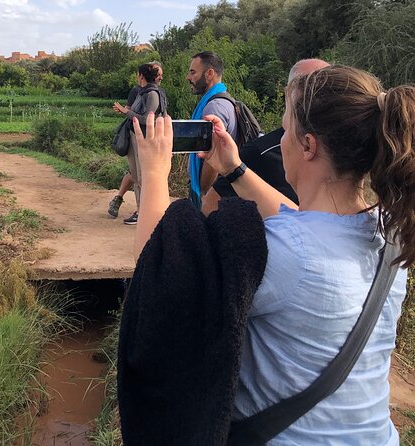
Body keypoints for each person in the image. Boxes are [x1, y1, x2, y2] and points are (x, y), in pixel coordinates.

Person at [133, 65, 414, 443]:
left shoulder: (281, 251)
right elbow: (306, 225)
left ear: (308, 146)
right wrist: (234, 169)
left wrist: (152, 172)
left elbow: (160, 272)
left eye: (284, 129)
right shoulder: (388, 230)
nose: (279, 140)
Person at [202, 58, 330, 215]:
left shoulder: (341, 150)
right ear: (288, 93)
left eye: (326, 89)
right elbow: (210, 206)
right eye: (305, 87)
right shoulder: (259, 152)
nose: (315, 98)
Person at [113, 62, 167, 224]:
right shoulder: (142, 93)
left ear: (141, 76)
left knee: (143, 177)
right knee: (136, 176)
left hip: (143, 140)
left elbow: (147, 119)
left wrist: (126, 112)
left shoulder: (151, 94)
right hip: (136, 138)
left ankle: (147, 212)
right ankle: (140, 211)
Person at [186, 51, 238, 209]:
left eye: (193, 72)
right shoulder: (223, 100)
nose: (188, 77)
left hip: (212, 194)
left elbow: (213, 160)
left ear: (209, 74)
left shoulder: (214, 107)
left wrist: (203, 192)